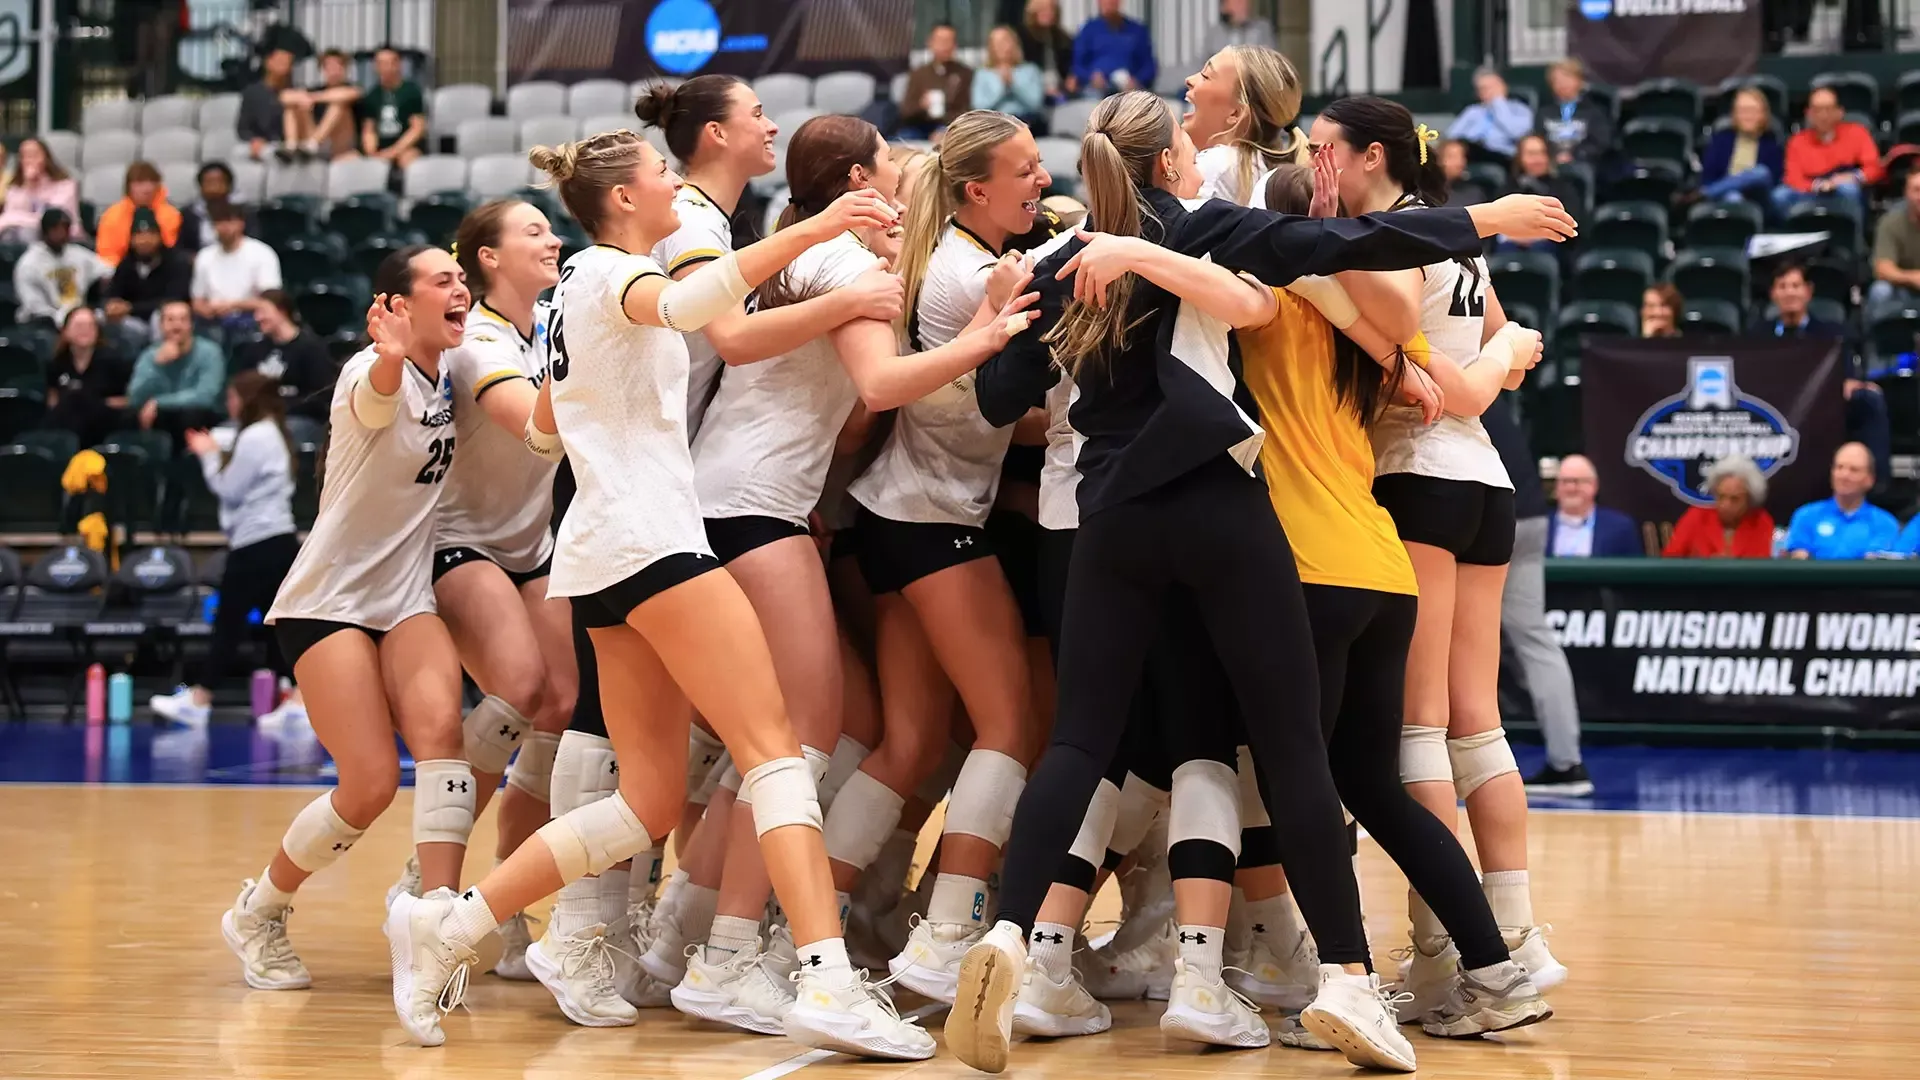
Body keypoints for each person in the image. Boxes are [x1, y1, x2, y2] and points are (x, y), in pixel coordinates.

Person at [944, 90, 1577, 1075]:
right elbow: (1348, 244)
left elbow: (993, 401)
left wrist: (997, 320)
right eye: (1190, 155)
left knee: (1078, 740)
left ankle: (1004, 938)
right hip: (1221, 509)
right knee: (1291, 752)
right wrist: (1490, 220)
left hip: (1107, 517)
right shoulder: (1205, 230)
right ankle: (1347, 981)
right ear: (1165, 171)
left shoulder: (1057, 262)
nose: (1201, 165)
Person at [382, 129, 936, 1060]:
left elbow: (549, 429)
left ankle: (452, 923)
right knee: (775, 754)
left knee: (643, 804)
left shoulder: (573, 296)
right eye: (660, 175)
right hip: (650, 543)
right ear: (626, 199)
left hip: (602, 553)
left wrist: (607, 415)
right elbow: (685, 305)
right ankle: (829, 983)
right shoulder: (608, 273)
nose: (674, 183)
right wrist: (815, 233)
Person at [663, 106, 1037, 1034]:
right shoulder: (845, 261)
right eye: (899, 173)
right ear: (864, 185)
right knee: (794, 739)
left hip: (765, 504)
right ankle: (729, 955)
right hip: (750, 505)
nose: (918, 188)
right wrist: (986, 335)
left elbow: (853, 414)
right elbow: (877, 388)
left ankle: (698, 936)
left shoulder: (824, 256)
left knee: (822, 733)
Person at [1232, 159, 1554, 1038]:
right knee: (1374, 780)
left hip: (1311, 566)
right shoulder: (1390, 332)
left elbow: (1226, 281)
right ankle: (1498, 968)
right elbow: (1447, 379)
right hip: (1383, 569)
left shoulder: (1262, 308)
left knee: (1300, 780)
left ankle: (1345, 980)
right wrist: (1506, 347)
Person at [1310, 94, 1570, 1019]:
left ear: (1370, 156)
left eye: (1324, 147)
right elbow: (1507, 340)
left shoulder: (1379, 241)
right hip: (1489, 487)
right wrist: (1495, 360)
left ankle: (1442, 959)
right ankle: (1519, 933)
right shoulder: (1461, 242)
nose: (1312, 158)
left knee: (1419, 731)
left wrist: (1468, 376)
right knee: (1479, 724)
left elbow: (1456, 384)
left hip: (1416, 480)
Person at [220, 247, 477, 998]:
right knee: (366, 786)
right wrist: (391, 355)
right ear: (395, 307)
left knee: (443, 741)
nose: (458, 287)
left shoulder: (456, 369)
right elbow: (374, 397)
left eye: (462, 278)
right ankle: (259, 909)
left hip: (405, 594)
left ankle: (437, 933)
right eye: (442, 281)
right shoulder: (367, 370)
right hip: (328, 598)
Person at [390, 198, 574, 990]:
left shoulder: (546, 326)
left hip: (531, 545)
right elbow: (535, 424)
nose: (553, 238)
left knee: (562, 706)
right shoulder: (479, 343)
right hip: (457, 541)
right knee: (522, 685)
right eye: (533, 230)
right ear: (488, 260)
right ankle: (425, 874)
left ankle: (495, 899)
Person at [149, 371, 299, 727]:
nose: (229, 405)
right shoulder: (268, 432)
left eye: (233, 397)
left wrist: (208, 456)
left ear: (248, 399)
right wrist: (216, 443)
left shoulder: (257, 436)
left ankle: (201, 700)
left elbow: (228, 487)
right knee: (277, 628)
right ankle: (298, 699)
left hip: (257, 544)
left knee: (230, 623)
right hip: (274, 541)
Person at [1481, 393, 1591, 797]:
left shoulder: (1441, 373)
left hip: (1488, 513)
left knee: (1447, 637)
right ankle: (1568, 763)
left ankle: (1431, 766)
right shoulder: (1486, 382)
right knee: (1536, 640)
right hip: (1529, 514)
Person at [1755, 262, 1889, 484]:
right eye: (1783, 286)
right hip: (1773, 405)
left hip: (1824, 401)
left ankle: (1876, 486)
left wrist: (1850, 383)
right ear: (1773, 294)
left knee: (1870, 400)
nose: (1790, 292)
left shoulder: (1833, 332)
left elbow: (1847, 374)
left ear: (1808, 291)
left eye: (1795, 285)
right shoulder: (1758, 334)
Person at [1183, 45, 1308, 206]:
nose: (1189, 80)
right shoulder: (1262, 169)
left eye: (1205, 76)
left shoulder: (1216, 167)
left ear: (1235, 113)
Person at [1773, 86, 1880, 220]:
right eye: (1817, 110)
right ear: (1808, 114)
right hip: (1810, 190)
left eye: (1828, 109)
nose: (1823, 116)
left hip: (1842, 188)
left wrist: (1853, 177)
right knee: (1780, 195)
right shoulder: (1797, 141)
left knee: (1849, 189)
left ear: (1840, 112)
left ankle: (1852, 236)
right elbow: (1793, 178)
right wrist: (1818, 185)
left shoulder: (1857, 132)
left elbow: (1874, 168)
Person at [230, 289, 337, 423]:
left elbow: (320, 395)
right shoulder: (255, 349)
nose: (258, 317)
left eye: (262, 311)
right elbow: (242, 386)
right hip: (258, 418)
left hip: (299, 418)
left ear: (281, 311)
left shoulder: (311, 348)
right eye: (256, 312)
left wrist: (281, 408)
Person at [1783, 442, 1900, 559]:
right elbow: (1799, 563)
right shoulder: (1806, 515)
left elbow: (1875, 568)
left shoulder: (1885, 523)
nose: (1844, 475)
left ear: (1870, 479)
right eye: (1839, 467)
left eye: (1854, 470)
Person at [127, 300, 226, 435]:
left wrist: (159, 402)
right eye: (170, 320)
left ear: (191, 324)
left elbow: (205, 396)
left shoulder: (210, 352)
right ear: (161, 325)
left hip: (198, 417)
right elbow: (135, 397)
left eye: (183, 319)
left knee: (190, 415)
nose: (176, 325)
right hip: (159, 418)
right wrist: (157, 366)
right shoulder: (150, 355)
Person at [44, 306, 132, 449]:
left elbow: (129, 398)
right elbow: (53, 399)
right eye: (79, 326)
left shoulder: (113, 361)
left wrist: (101, 403)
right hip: (68, 424)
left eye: (90, 325)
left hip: (104, 425)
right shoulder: (57, 362)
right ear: (65, 331)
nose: (85, 330)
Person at [191, 200, 283, 334]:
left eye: (229, 221)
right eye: (219, 222)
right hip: (213, 319)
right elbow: (197, 301)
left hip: (251, 317)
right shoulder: (204, 256)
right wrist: (206, 310)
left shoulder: (262, 253)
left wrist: (232, 305)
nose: (224, 227)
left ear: (241, 223)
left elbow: (271, 301)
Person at [104, 207, 193, 343]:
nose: (144, 240)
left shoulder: (176, 261)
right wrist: (112, 305)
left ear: (159, 237)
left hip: (160, 321)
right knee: (99, 317)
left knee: (161, 317)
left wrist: (131, 308)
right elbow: (113, 292)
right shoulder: (127, 263)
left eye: (150, 234)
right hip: (131, 323)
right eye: (139, 235)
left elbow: (175, 299)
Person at [1663, 454, 1776, 559]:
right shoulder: (1696, 517)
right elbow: (1669, 561)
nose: (1725, 505)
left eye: (1734, 499)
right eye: (1721, 496)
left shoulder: (1761, 522)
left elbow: (1765, 568)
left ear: (1750, 499)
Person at [13, 208, 107, 325]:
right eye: (56, 229)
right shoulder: (29, 263)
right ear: (44, 232)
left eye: (65, 229)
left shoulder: (78, 254)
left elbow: (107, 271)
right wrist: (63, 318)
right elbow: (34, 305)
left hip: (78, 317)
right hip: (43, 321)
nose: (61, 234)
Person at [1699, 87, 1783, 206]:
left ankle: (1703, 194)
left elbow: (1774, 182)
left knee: (1761, 172)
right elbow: (1708, 176)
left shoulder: (1772, 144)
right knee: (1734, 198)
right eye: (1743, 111)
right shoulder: (1721, 140)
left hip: (1759, 199)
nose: (1747, 116)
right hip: (1726, 195)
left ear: (1763, 115)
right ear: (1735, 115)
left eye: (1753, 111)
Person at [1546, 454, 1641, 557]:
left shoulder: (1621, 528)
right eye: (1564, 482)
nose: (1571, 488)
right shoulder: (1537, 528)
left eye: (1577, 481)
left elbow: (1633, 571)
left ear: (1594, 485)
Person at [95, 160, 183, 268]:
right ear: (128, 186)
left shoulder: (172, 216)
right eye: (140, 183)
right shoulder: (112, 216)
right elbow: (107, 254)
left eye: (152, 182)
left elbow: (173, 252)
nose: (147, 188)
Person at [280, 48, 363, 159]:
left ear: (344, 68)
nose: (333, 70)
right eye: (329, 66)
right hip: (315, 136)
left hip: (340, 143)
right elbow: (284, 96)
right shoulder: (316, 89)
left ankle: (313, 144)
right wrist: (304, 98)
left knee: (338, 105)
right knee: (294, 106)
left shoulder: (352, 88)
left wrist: (313, 98)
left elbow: (348, 94)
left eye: (337, 66)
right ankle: (291, 146)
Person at [1537, 58, 1614, 170]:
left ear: (1580, 80)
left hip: (1585, 163)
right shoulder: (1543, 112)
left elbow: (1602, 143)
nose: (1562, 84)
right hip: (1550, 164)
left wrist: (1574, 154)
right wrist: (1553, 156)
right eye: (1556, 80)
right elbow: (1537, 140)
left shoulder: (1595, 112)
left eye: (1567, 78)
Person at [899, 24, 974, 139]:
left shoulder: (965, 73)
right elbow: (906, 111)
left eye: (949, 41)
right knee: (903, 138)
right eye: (940, 41)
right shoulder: (919, 74)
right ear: (930, 43)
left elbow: (969, 110)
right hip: (921, 126)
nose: (945, 46)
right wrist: (921, 105)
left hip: (952, 127)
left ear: (955, 45)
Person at [0, 136, 81, 242]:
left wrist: (14, 218)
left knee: (27, 233)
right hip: (22, 236)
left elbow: (51, 220)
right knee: (8, 235)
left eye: (34, 155)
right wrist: (28, 185)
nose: (29, 161)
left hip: (62, 239)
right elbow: (9, 215)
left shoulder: (65, 185)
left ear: (46, 158)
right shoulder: (16, 188)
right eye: (24, 157)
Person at [360, 46, 428, 170]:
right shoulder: (372, 95)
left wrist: (392, 152)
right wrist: (371, 152)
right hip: (381, 146)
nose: (385, 67)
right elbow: (369, 130)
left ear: (398, 65)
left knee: (409, 160)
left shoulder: (411, 91)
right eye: (380, 63)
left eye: (389, 62)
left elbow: (417, 129)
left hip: (406, 148)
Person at [1072, 0, 1156, 98]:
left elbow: (1149, 66)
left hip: (1129, 89)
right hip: (1096, 89)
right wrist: (1091, 77)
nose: (1110, 3)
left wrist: (1137, 80)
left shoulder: (1137, 31)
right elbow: (1077, 66)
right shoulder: (1088, 30)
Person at [1447, 67, 1535, 157]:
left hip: (1504, 155)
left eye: (1493, 87)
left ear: (1504, 87)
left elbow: (1518, 134)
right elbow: (1451, 137)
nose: (1489, 91)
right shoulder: (1472, 111)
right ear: (1478, 94)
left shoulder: (1520, 109)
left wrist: (1499, 104)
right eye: (1483, 88)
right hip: (1473, 154)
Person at [973, 25, 1047, 132]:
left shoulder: (1030, 70)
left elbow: (1036, 105)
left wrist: (1013, 85)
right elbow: (979, 107)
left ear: (1014, 44)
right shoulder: (982, 73)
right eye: (996, 42)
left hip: (1027, 124)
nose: (1001, 46)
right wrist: (1003, 90)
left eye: (1005, 41)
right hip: (994, 126)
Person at [1869, 168, 1920, 307]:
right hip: (1904, 288)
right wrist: (1913, 278)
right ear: (1906, 193)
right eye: (1916, 190)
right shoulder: (1890, 223)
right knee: (1880, 291)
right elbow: (1883, 269)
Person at [238, 46, 298, 161]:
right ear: (268, 63)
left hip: (287, 141)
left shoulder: (294, 92)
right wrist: (254, 139)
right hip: (262, 141)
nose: (285, 66)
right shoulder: (252, 92)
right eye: (280, 61)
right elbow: (243, 127)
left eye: (288, 63)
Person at [1017, 0, 1076, 101]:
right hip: (1034, 91)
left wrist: (1071, 78)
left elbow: (1069, 66)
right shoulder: (1023, 37)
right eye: (1043, 10)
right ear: (1034, 12)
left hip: (1061, 90)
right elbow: (1022, 71)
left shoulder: (1062, 37)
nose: (1048, 13)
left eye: (1051, 9)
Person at [180, 163, 242, 252]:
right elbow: (180, 248)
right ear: (200, 186)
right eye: (209, 182)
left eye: (219, 182)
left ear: (229, 186)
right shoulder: (189, 213)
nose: (214, 187)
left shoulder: (241, 211)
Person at [1201, 0, 1275, 55]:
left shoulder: (1261, 29)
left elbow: (1271, 62)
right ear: (1224, 8)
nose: (1244, 6)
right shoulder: (1216, 33)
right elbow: (1201, 64)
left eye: (1246, 2)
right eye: (1238, 2)